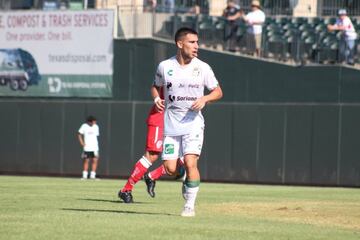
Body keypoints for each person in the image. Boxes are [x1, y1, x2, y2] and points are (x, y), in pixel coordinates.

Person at [152, 27, 223, 217]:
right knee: (170, 168)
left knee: (192, 162)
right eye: (192, 42)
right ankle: (184, 174)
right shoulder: (164, 67)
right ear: (179, 43)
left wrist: (205, 99)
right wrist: (156, 98)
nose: (196, 46)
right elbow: (155, 86)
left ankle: (189, 205)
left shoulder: (203, 68)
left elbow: (218, 91)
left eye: (197, 42)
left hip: (193, 124)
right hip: (171, 125)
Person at [118, 88, 185, 203]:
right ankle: (126, 190)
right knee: (152, 155)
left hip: (179, 120)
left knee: (180, 162)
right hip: (161, 118)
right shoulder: (168, 70)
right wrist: (157, 98)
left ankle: (152, 176)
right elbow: (155, 86)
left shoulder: (195, 74)